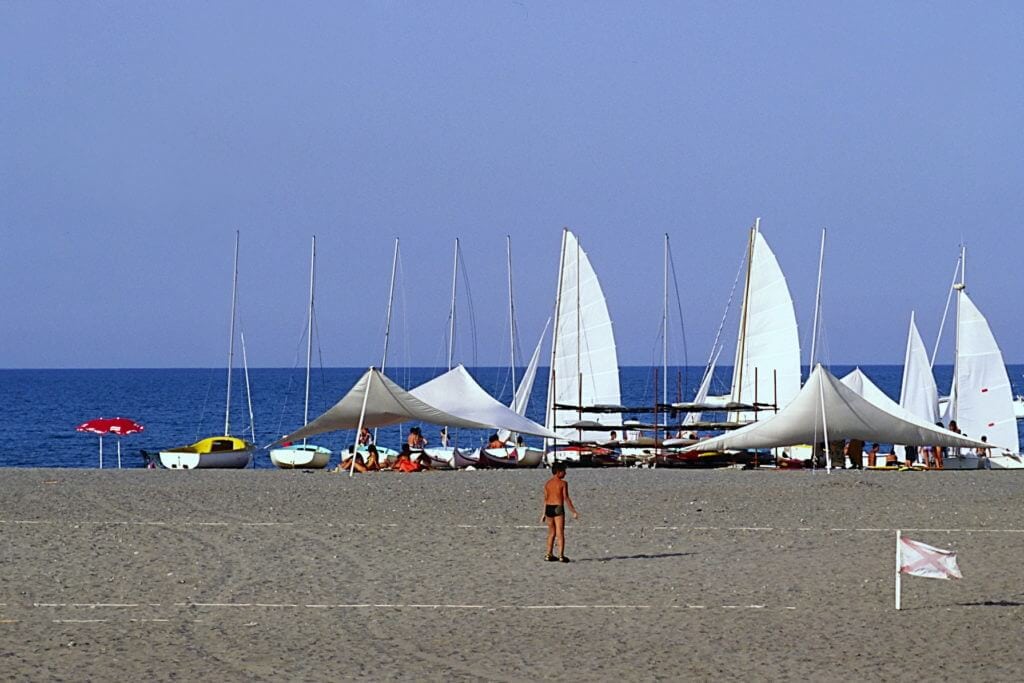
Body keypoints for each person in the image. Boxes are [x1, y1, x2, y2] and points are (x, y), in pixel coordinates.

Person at [541, 462, 578, 563]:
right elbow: (566, 498)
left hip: (548, 508)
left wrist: (543, 514)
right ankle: (561, 555)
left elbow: (545, 498)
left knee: (551, 533)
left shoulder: (547, 483)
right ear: (558, 472)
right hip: (558, 507)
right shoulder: (563, 483)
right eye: (564, 471)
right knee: (560, 532)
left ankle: (548, 554)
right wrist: (573, 511)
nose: (565, 474)